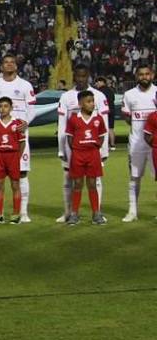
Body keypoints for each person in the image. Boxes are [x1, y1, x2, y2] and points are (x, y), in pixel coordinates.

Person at [0, 54, 36, 223]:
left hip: (19, 133)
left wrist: (26, 122)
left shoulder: (25, 85)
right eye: (6, 62)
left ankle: (23, 212)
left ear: (16, 66)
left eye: (12, 62)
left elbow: (32, 108)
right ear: (1, 66)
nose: (9, 65)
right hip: (1, 134)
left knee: (22, 172)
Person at [55, 64, 109, 223]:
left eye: (84, 76)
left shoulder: (99, 96)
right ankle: (69, 213)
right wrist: (61, 149)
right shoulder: (66, 97)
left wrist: (103, 150)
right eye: (78, 76)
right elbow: (62, 124)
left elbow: (103, 126)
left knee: (95, 181)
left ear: (88, 76)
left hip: (93, 149)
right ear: (74, 77)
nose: (81, 79)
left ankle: (97, 212)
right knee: (69, 180)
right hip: (73, 148)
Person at [67, 90, 108, 225]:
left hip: (93, 154)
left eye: (92, 101)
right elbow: (70, 138)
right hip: (78, 154)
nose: (91, 104)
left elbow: (101, 136)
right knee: (77, 184)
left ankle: (96, 213)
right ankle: (74, 214)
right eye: (88, 102)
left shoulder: (98, 118)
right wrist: (77, 148)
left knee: (92, 184)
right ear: (80, 104)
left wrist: (95, 148)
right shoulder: (73, 119)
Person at [121, 65, 156, 222]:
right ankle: (132, 211)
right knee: (134, 177)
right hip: (137, 144)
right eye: (141, 74)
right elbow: (128, 118)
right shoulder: (129, 94)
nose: (144, 77)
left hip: (156, 145)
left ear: (152, 75)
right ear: (136, 76)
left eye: (147, 74)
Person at [0, 97, 26, 224]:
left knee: (15, 185)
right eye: (0, 106)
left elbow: (22, 143)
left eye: (6, 106)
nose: (3, 108)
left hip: (13, 156)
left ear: (11, 108)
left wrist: (17, 156)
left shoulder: (17, 123)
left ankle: (16, 214)